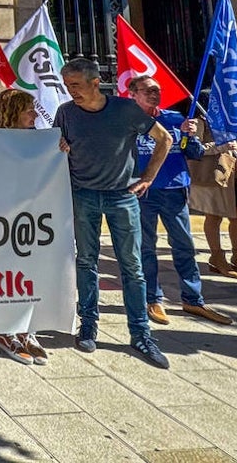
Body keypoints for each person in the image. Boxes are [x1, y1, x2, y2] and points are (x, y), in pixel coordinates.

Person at [56, 57, 174, 368]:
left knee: (131, 266)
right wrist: (61, 146)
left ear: (96, 83)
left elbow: (165, 139)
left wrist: (148, 177)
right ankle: (88, 325)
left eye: (77, 86)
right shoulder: (66, 113)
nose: (72, 92)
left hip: (122, 197)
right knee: (85, 260)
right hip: (83, 195)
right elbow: (53, 145)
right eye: (68, 86)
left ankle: (140, 333)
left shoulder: (125, 110)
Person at [126, 76, 233, 326]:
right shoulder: (126, 122)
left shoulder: (175, 118)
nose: (155, 94)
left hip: (174, 189)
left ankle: (193, 299)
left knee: (184, 245)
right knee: (146, 247)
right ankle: (153, 298)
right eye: (148, 90)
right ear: (133, 94)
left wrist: (192, 136)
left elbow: (193, 153)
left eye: (158, 90)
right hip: (142, 191)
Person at [0, 89, 50, 365]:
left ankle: (28, 330)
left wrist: (60, 146)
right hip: (0, 217)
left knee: (31, 272)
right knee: (4, 273)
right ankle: (5, 330)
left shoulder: (40, 140)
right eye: (28, 109)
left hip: (32, 217)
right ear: (12, 112)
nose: (34, 114)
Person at [188, 120, 237, 279]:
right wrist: (221, 146)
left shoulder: (232, 113)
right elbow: (194, 148)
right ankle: (217, 257)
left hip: (236, 171)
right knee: (214, 216)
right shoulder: (202, 115)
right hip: (215, 173)